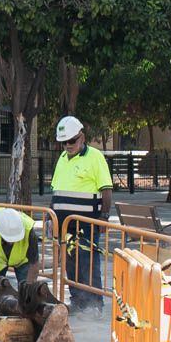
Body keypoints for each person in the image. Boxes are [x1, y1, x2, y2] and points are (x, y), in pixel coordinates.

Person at [50, 115, 112, 312]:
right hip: (64, 224)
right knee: (70, 264)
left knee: (88, 264)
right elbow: (56, 191)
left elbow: (107, 190)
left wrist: (104, 217)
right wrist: (51, 217)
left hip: (86, 223)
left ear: (82, 137)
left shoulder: (95, 157)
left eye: (72, 140)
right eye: (64, 142)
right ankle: (78, 301)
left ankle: (94, 305)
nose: (68, 145)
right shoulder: (61, 159)